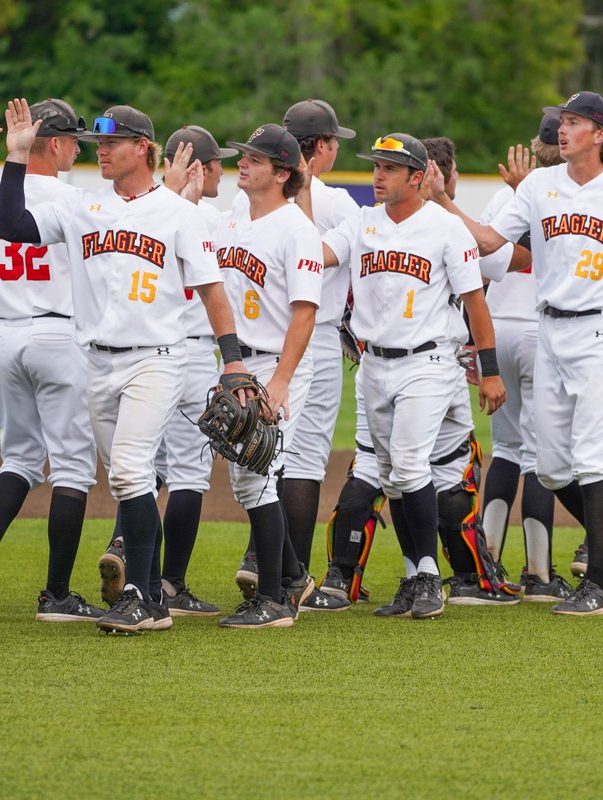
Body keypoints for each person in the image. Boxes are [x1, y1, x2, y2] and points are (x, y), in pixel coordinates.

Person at [0, 98, 243, 634]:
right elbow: (13, 227)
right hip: (96, 364)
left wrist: (234, 362)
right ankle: (151, 599)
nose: (100, 150)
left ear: (143, 149)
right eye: (96, 143)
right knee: (126, 483)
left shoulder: (178, 214)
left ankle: (140, 596)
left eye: (111, 142)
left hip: (156, 359)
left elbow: (212, 290)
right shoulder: (83, 206)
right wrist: (16, 158)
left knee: (131, 470)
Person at [433, 92, 603, 616]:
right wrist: (445, 203)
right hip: (551, 331)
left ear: (602, 133)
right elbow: (493, 242)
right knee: (548, 466)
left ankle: (596, 586)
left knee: (590, 454)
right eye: (561, 121)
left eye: (574, 122)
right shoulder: (540, 185)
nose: (562, 130)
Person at [305, 132, 505, 620]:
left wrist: (491, 370)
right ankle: (417, 575)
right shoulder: (360, 223)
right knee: (392, 476)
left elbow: (476, 302)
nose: (378, 175)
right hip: (373, 364)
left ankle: (429, 580)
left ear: (418, 177)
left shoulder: (445, 227)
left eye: (390, 168)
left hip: (428, 362)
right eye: (376, 166)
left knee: (412, 467)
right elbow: (315, 254)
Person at [0, 99, 102, 623]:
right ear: (53, 143)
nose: (78, 148)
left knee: (18, 460)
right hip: (60, 336)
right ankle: (56, 595)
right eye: (74, 140)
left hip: (4, 335)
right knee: (74, 467)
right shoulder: (76, 201)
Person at [210, 123, 322, 629]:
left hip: (279, 363)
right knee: (245, 478)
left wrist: (279, 382)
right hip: (241, 364)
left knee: (258, 477)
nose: (243, 162)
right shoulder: (236, 221)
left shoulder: (297, 229)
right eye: (244, 155)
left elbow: (305, 313)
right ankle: (294, 579)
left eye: (254, 158)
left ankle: (274, 601)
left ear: (281, 172)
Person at [477, 115, 574, 601]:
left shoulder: (505, 196)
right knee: (539, 455)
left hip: (498, 327)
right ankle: (538, 573)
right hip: (542, 330)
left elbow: (485, 262)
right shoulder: (573, 192)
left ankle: (487, 565)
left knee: (506, 450)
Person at [146, 124, 238, 616]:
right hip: (197, 354)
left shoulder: (143, 214)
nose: (224, 168)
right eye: (218, 161)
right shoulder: (214, 221)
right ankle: (172, 584)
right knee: (188, 474)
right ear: (200, 168)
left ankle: (126, 554)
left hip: (146, 353)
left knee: (140, 468)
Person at [275, 100, 360, 576]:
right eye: (334, 142)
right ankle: (291, 576)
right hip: (316, 337)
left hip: (261, 339)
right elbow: (318, 259)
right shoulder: (338, 202)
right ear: (322, 147)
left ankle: (260, 558)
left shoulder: (257, 197)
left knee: (264, 455)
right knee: (305, 458)